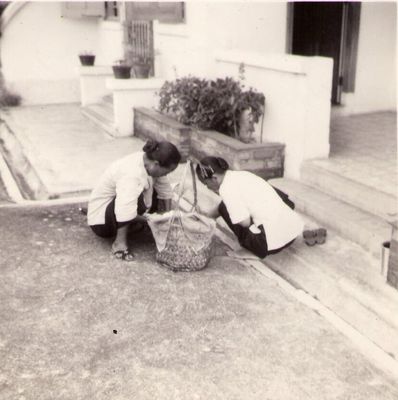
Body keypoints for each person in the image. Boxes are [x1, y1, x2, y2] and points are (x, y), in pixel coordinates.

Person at [87, 139, 181, 261]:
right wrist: (153, 220)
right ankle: (119, 243)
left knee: (155, 190)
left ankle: (138, 224)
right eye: (167, 171)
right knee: (133, 200)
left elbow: (165, 191)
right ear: (156, 164)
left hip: (118, 209)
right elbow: (125, 210)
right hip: (101, 221)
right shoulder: (131, 172)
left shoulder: (149, 162)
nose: (166, 174)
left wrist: (168, 219)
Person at [195, 156, 305, 259]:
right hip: (291, 233)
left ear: (214, 178)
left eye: (206, 184)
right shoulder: (240, 175)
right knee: (229, 206)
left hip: (271, 244)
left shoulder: (226, 189)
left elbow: (245, 223)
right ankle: (208, 216)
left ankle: (253, 250)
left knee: (230, 211)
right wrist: (208, 215)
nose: (207, 187)